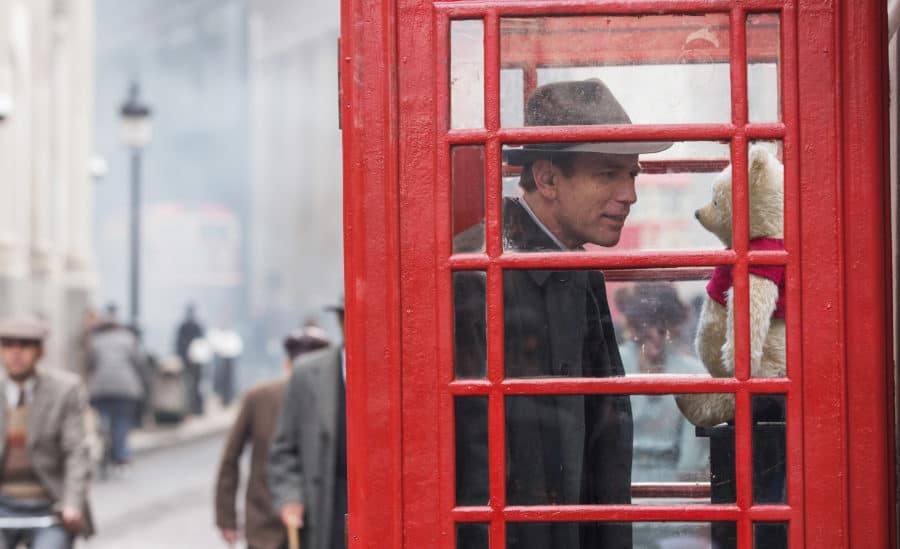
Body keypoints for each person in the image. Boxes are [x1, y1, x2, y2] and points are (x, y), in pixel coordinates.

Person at [454, 79, 671, 549]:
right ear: (549, 178)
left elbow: (600, 433)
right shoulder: (472, 273)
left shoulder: (579, 267)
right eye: (607, 174)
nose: (628, 194)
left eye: (632, 174)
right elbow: (466, 456)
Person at [215, 325, 331, 549]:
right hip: (264, 526)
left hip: (317, 527)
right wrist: (226, 518)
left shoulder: (335, 401)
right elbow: (230, 458)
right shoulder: (259, 398)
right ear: (287, 366)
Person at [0, 314, 94, 547]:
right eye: (8, 345)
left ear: (41, 352)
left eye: (25, 346)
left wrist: (72, 503)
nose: (16, 353)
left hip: (50, 505)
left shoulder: (64, 390)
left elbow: (76, 451)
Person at [268, 300, 347, 549]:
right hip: (325, 508)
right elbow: (283, 451)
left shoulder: (396, 368)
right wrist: (290, 497)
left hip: (379, 510)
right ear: (340, 321)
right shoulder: (307, 373)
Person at [85, 304, 145, 467]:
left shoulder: (95, 341)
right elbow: (138, 362)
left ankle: (102, 432)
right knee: (121, 420)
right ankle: (120, 455)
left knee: (102, 415)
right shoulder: (128, 339)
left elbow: (90, 364)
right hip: (126, 388)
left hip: (100, 388)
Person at [174, 304, 205, 415]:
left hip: (193, 360)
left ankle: (194, 408)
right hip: (191, 361)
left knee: (193, 385)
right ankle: (193, 408)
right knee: (190, 385)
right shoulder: (190, 326)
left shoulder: (193, 326)